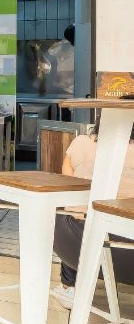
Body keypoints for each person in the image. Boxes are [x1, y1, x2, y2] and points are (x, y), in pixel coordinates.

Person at [51, 119, 134, 309]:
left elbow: (68, 189)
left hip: (77, 248)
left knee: (71, 210)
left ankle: (69, 287)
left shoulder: (81, 143)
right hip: (128, 252)